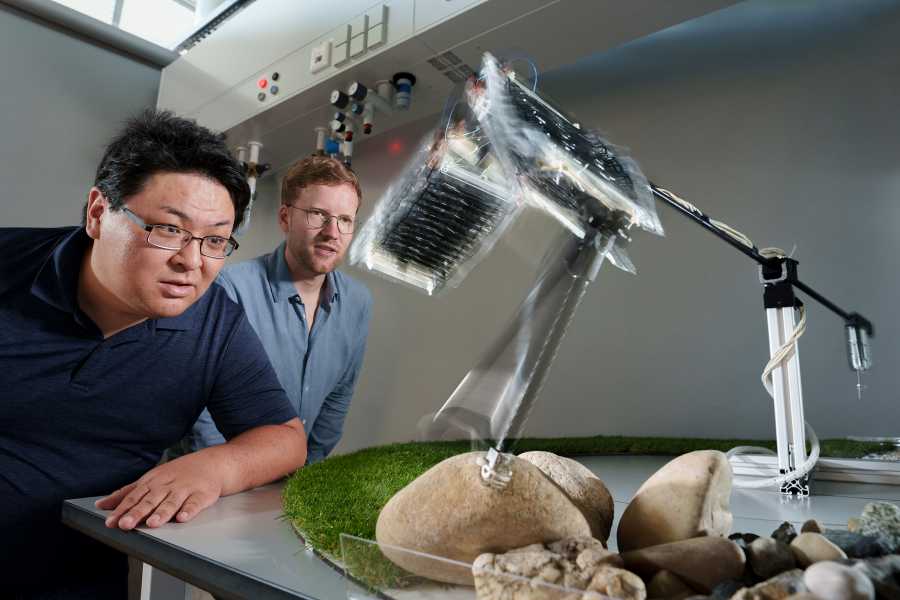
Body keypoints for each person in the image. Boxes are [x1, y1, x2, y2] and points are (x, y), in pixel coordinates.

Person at [0, 109, 307, 598]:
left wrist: (216, 468)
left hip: (79, 580)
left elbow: (286, 438)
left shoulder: (215, 323)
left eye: (214, 240)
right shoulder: (10, 266)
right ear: (98, 214)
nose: (191, 261)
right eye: (168, 229)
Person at [186, 156, 372, 464]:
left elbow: (338, 398)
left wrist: (303, 472)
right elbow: (200, 407)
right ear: (285, 218)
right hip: (218, 478)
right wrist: (229, 476)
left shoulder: (358, 303)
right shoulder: (230, 289)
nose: (332, 232)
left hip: (292, 482)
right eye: (317, 214)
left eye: (345, 220)